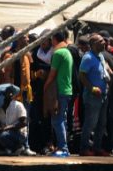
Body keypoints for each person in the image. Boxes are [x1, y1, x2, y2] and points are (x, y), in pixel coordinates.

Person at [78, 34, 110, 156]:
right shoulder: (88, 58)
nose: (104, 42)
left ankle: (97, 147)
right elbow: (82, 76)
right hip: (92, 96)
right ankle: (84, 148)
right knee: (90, 123)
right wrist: (92, 88)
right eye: (101, 41)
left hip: (103, 94)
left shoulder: (100, 56)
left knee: (102, 123)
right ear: (94, 44)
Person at [44, 29, 73, 157]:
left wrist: (45, 86)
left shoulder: (58, 53)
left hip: (59, 91)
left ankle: (63, 148)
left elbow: (52, 74)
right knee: (62, 119)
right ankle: (62, 147)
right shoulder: (67, 52)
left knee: (57, 120)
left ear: (54, 39)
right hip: (67, 90)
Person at [0, 84, 27, 155]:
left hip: (19, 134)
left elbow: (24, 122)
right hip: (4, 132)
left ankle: (17, 148)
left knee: (2, 135)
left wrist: (8, 128)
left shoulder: (18, 105)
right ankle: (2, 148)